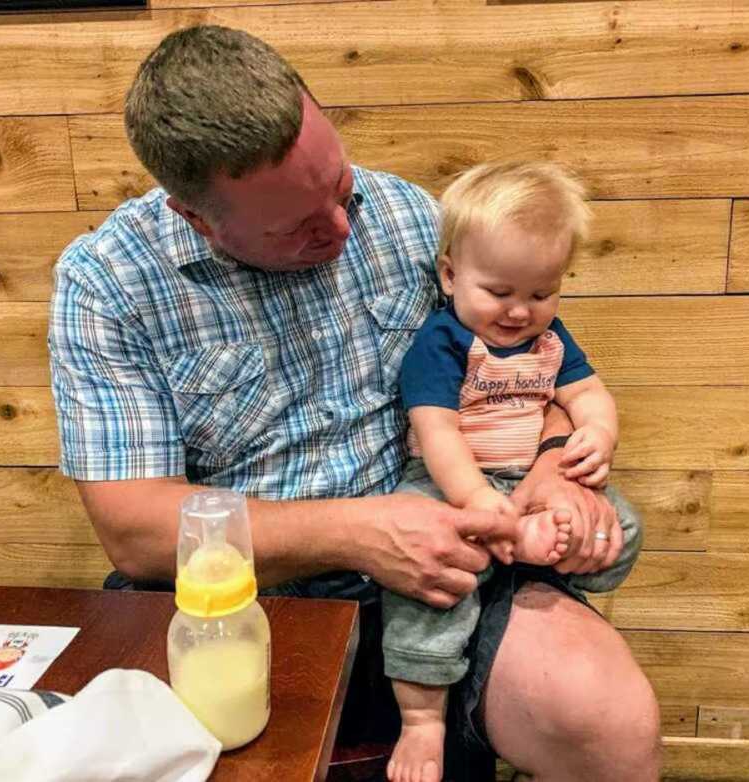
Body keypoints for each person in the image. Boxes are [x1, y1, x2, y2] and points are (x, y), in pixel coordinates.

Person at [47, 24, 661, 781]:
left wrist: (555, 464)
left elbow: (529, 364)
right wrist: (354, 531)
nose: (342, 227)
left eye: (340, 187)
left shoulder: (404, 217)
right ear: (197, 219)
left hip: (449, 548)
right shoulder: (109, 284)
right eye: (298, 225)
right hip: (247, 593)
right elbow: (136, 533)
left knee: (609, 716)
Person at [383, 161, 636, 782]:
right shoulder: (443, 343)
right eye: (499, 292)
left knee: (624, 525)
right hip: (451, 480)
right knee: (433, 581)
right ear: (450, 275)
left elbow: (590, 396)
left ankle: (537, 549)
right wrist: (474, 497)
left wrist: (597, 435)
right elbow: (437, 431)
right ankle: (423, 721)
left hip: (529, 473)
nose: (520, 312)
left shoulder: (551, 342)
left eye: (541, 292)